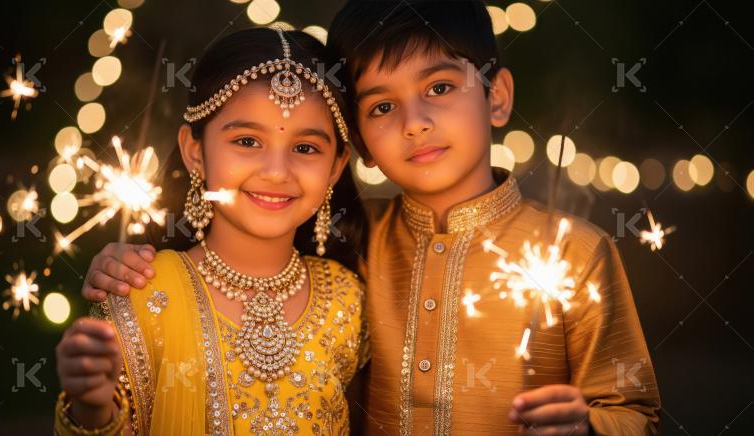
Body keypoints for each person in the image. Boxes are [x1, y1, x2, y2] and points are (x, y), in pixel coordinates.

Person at [81, 1, 662, 434]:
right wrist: (127, 265)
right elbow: (242, 262)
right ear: (357, 143)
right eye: (382, 105)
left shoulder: (573, 252)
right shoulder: (354, 240)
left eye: (439, 86)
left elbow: (635, 409)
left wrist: (589, 427)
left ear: (497, 96)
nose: (414, 122)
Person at [54, 27, 368, 436]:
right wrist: (92, 409)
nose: (276, 172)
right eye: (247, 141)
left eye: (305, 148)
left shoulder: (349, 299)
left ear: (336, 166)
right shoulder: (142, 291)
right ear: (195, 151)